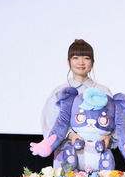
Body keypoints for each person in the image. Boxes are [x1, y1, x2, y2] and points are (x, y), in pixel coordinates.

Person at [41, 39, 113, 168]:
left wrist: (109, 137)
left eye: (86, 58)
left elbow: (114, 123)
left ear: (92, 62)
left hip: (97, 157)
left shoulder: (103, 92)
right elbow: (49, 126)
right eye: (75, 58)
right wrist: (70, 135)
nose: (81, 62)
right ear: (68, 62)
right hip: (65, 156)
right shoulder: (59, 92)